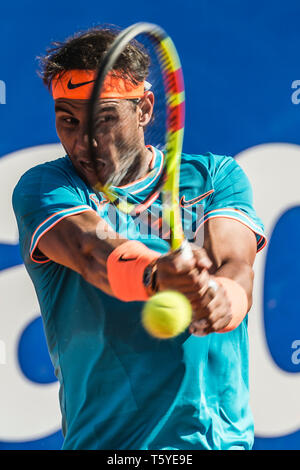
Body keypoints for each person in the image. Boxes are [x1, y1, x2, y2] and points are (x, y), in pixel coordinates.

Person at [12, 26, 266, 450]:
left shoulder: (216, 177)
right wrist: (156, 276)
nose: (85, 141)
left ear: (144, 109)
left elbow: (236, 265)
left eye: (104, 118)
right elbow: (91, 252)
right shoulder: (46, 187)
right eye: (68, 120)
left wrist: (224, 298)